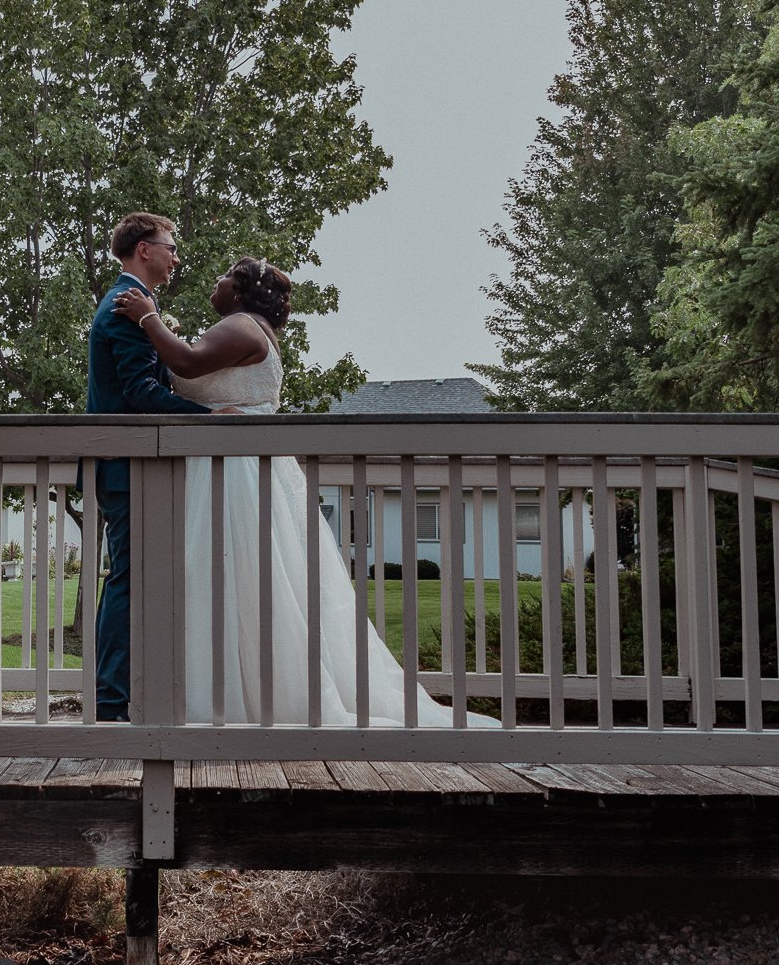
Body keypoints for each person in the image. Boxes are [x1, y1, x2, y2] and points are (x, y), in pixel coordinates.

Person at [115, 260, 496, 727]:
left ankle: (228, 702)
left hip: (233, 469)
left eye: (223, 277)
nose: (214, 281)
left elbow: (187, 363)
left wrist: (147, 317)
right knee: (230, 579)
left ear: (239, 292)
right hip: (229, 463)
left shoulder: (241, 326)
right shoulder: (249, 328)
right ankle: (225, 693)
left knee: (227, 574)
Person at [86, 212, 213, 721]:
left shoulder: (135, 305)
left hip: (126, 465)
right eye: (170, 246)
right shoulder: (123, 306)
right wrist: (213, 418)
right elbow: (142, 392)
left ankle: (126, 698)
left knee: (136, 578)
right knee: (128, 580)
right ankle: (111, 706)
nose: (175, 256)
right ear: (144, 248)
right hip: (124, 466)